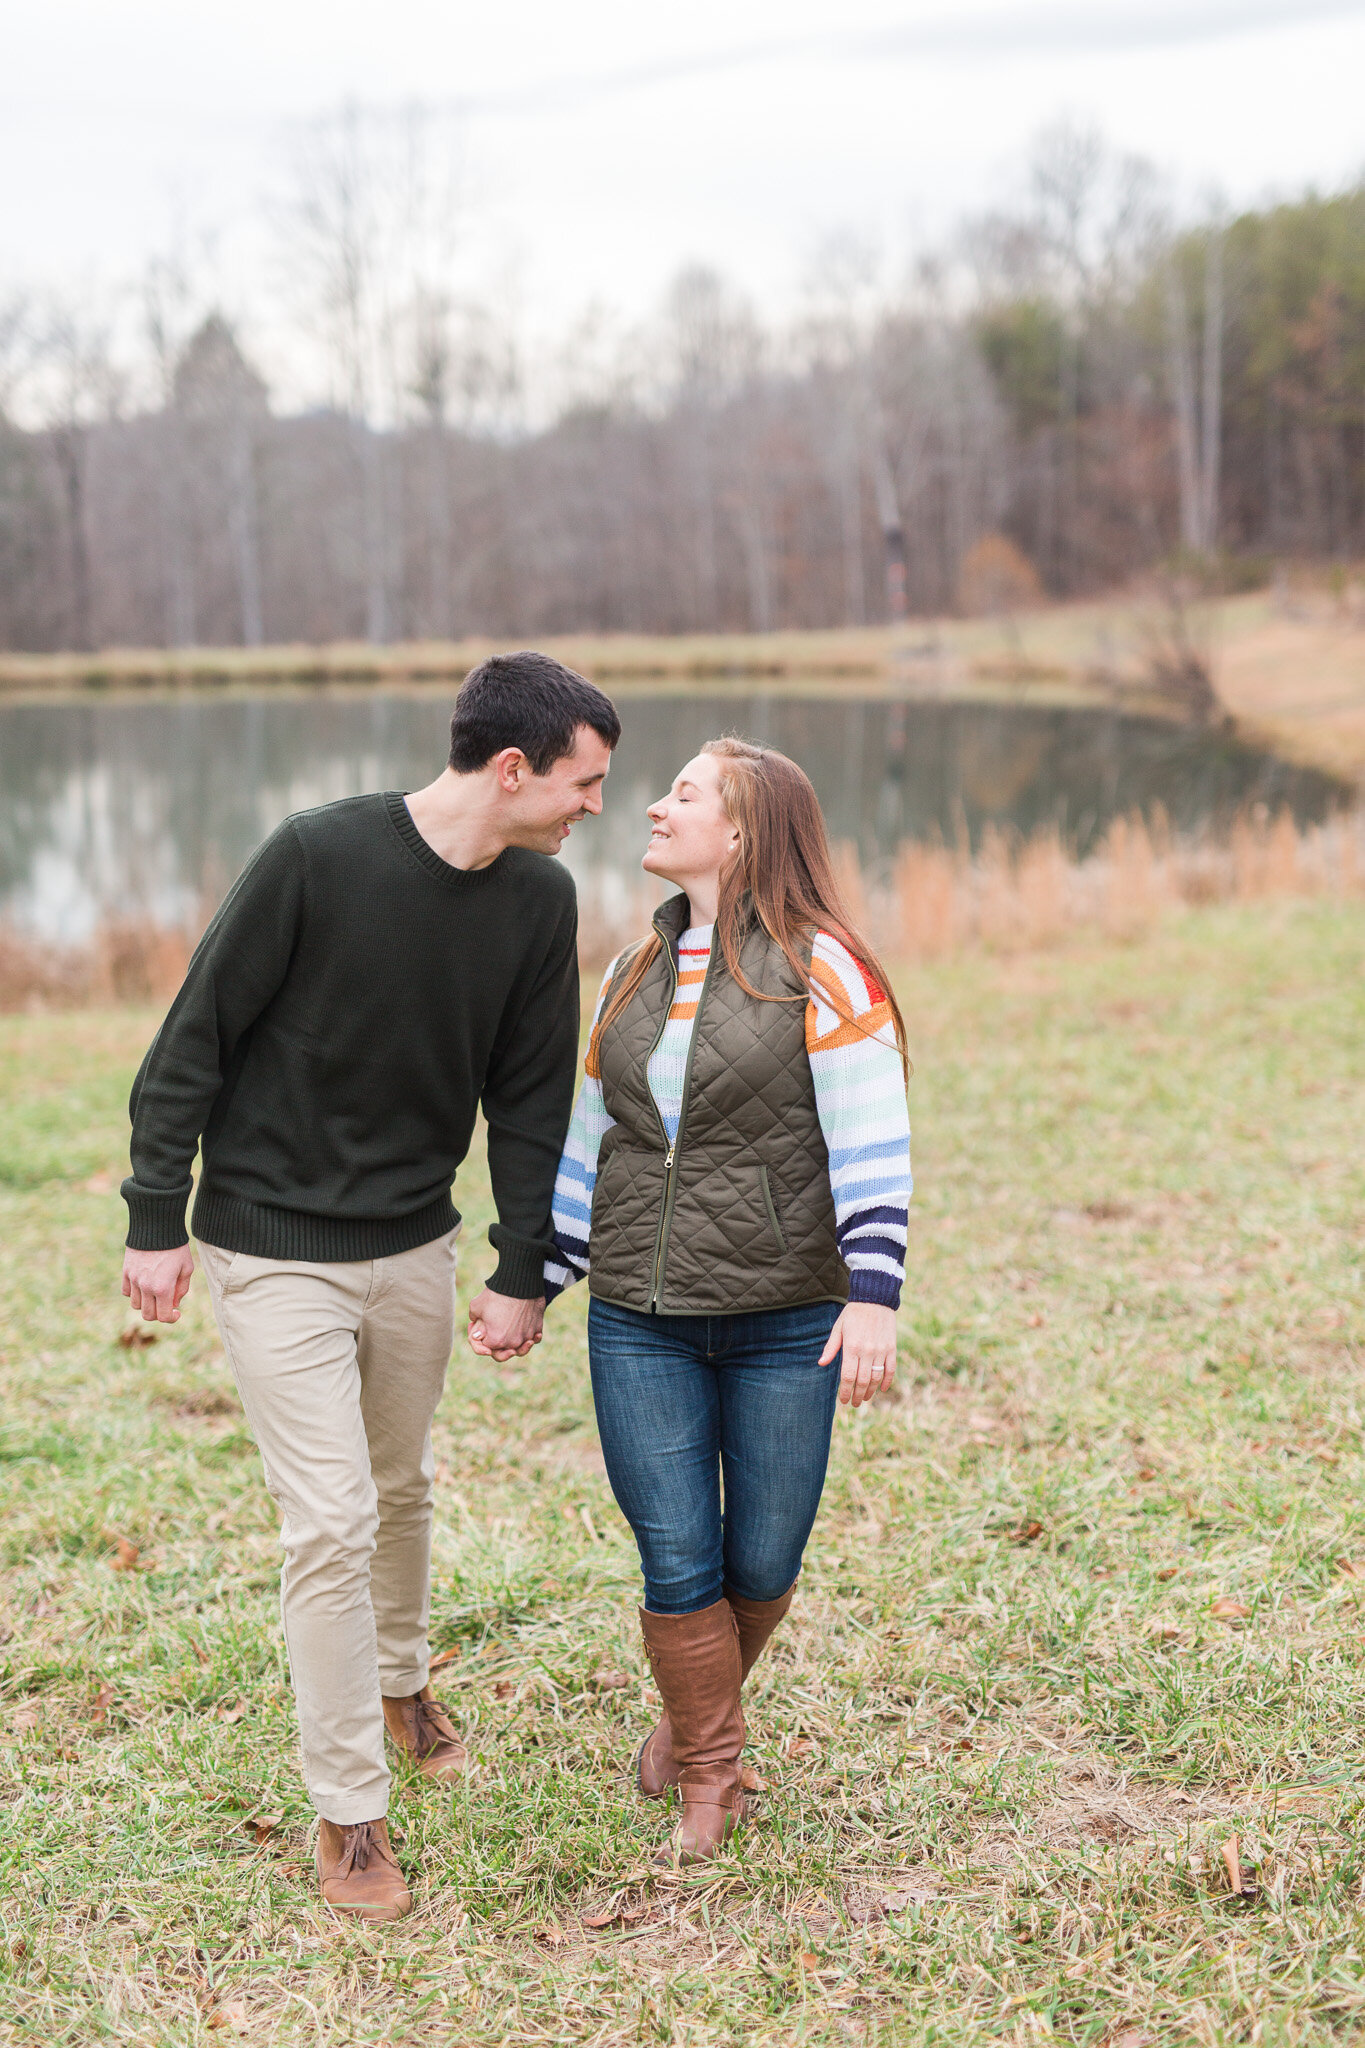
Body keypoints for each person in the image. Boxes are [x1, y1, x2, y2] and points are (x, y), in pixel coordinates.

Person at [120, 651, 620, 1923]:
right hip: (270, 1245)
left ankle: (401, 1683)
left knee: (400, 1487)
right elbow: (193, 1039)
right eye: (584, 780)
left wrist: (521, 1268)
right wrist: (154, 1219)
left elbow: (527, 1098)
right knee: (333, 1516)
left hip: (412, 1245)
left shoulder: (536, 904)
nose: (594, 806)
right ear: (513, 769)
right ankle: (349, 1813)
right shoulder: (315, 854)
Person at [545, 736, 911, 1865]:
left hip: (786, 1316)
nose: (653, 806)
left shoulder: (824, 967)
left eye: (685, 794)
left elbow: (871, 1137)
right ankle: (711, 1772)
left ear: (744, 829)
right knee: (677, 1554)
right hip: (641, 1319)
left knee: (762, 1556)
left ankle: (690, 1718)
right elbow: (591, 1138)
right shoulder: (631, 973)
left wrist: (875, 1294)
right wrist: (537, 1276)